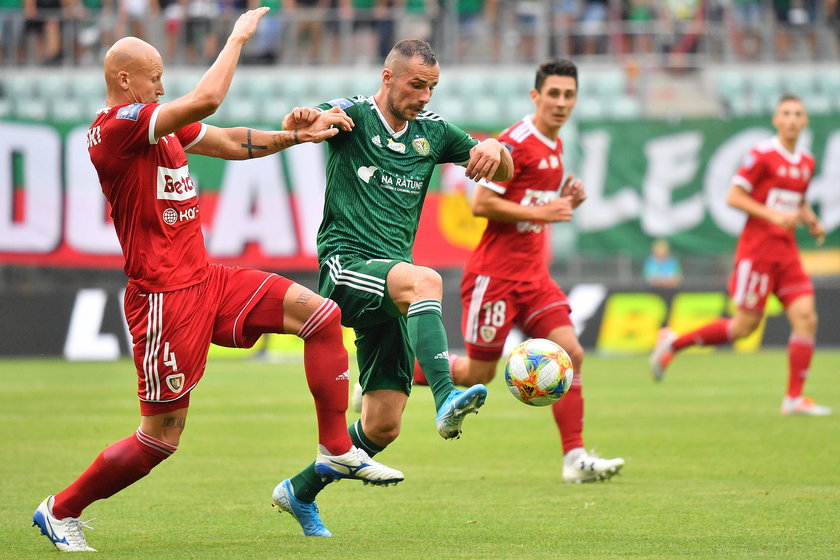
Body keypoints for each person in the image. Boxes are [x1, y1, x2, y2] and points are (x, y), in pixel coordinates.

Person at [31, 8, 404, 553]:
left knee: (320, 315)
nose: (162, 84)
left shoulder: (156, 120)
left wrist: (294, 137)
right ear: (124, 80)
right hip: (163, 298)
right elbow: (208, 101)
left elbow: (227, 140)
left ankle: (334, 448)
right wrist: (236, 38)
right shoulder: (116, 128)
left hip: (207, 279)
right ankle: (59, 510)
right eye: (154, 75)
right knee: (160, 439)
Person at [271, 39, 514, 537]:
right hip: (346, 268)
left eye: (432, 87)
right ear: (388, 78)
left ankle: (298, 491)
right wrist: (303, 120)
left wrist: (497, 149)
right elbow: (304, 122)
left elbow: (504, 171)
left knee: (383, 425)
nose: (425, 96)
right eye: (416, 85)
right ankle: (446, 396)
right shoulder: (353, 115)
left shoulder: (433, 132)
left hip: (390, 288)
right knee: (427, 278)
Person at [424, 59, 625, 483]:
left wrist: (563, 202)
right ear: (536, 96)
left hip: (534, 276)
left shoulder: (555, 145)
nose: (561, 102)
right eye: (553, 94)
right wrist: (549, 211)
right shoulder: (516, 142)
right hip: (494, 277)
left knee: (573, 353)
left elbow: (534, 208)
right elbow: (480, 204)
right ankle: (395, 373)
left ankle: (575, 460)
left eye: (569, 95)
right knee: (478, 374)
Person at [650, 94, 831, 417]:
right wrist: (771, 215)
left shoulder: (806, 162)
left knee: (807, 318)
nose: (791, 119)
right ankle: (673, 343)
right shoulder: (762, 155)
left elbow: (797, 199)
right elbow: (734, 196)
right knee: (744, 327)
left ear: (805, 122)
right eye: (785, 113)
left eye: (797, 114)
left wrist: (810, 219)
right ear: (776, 120)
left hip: (786, 254)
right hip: (757, 253)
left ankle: (793, 398)